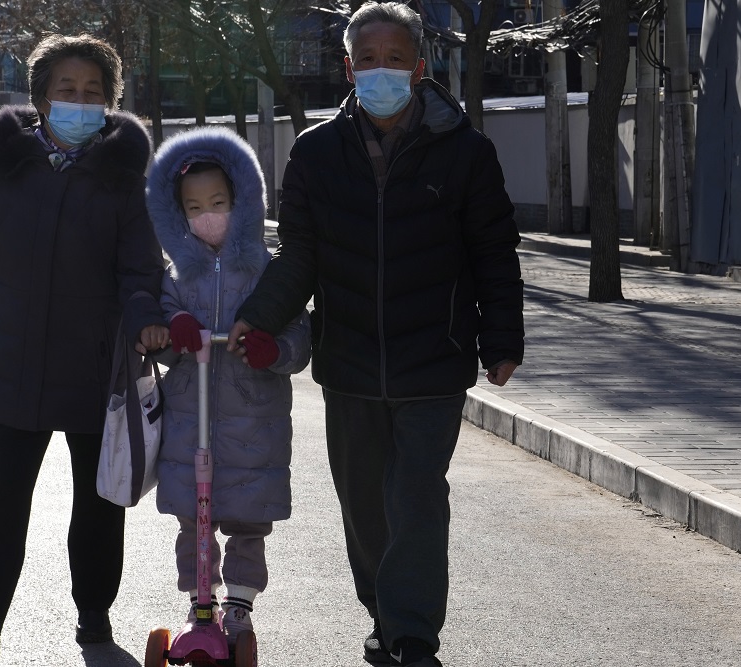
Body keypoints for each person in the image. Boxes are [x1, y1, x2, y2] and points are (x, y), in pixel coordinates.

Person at [226, 3, 525, 666]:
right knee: (363, 503)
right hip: (350, 358)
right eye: (368, 59)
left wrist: (501, 337)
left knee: (416, 493)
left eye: (395, 59)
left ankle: (413, 630)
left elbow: (493, 250)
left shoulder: (466, 152)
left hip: (435, 357)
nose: (381, 70)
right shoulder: (316, 153)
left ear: (420, 66)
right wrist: (260, 314)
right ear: (348, 66)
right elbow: (299, 252)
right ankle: (384, 612)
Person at [0, 34, 170, 665]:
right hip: (11, 365)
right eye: (66, 91)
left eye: (92, 94)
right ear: (40, 98)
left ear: (109, 104)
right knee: (2, 495)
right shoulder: (3, 173)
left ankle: (93, 616)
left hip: (94, 368)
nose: (78, 103)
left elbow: (141, 273)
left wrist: (145, 323)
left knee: (98, 503)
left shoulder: (122, 184)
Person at [146, 127, 311, 648]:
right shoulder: (176, 274)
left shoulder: (266, 270)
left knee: (246, 520)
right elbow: (164, 323)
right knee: (192, 520)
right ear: (178, 216)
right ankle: (200, 600)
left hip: (251, 417)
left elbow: (297, 333)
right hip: (190, 419)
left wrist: (274, 351)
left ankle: (239, 602)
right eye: (194, 208)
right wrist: (175, 334)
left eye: (218, 202)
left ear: (241, 202)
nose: (207, 216)